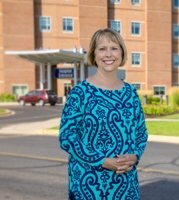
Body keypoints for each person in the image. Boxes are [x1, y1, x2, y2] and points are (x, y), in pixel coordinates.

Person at [59, 28, 148, 200]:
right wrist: (103, 161)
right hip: (89, 186)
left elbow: (141, 133)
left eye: (114, 48)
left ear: (122, 52)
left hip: (126, 187)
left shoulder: (130, 92)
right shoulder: (80, 93)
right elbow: (67, 137)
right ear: (93, 54)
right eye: (102, 49)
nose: (109, 54)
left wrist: (135, 156)